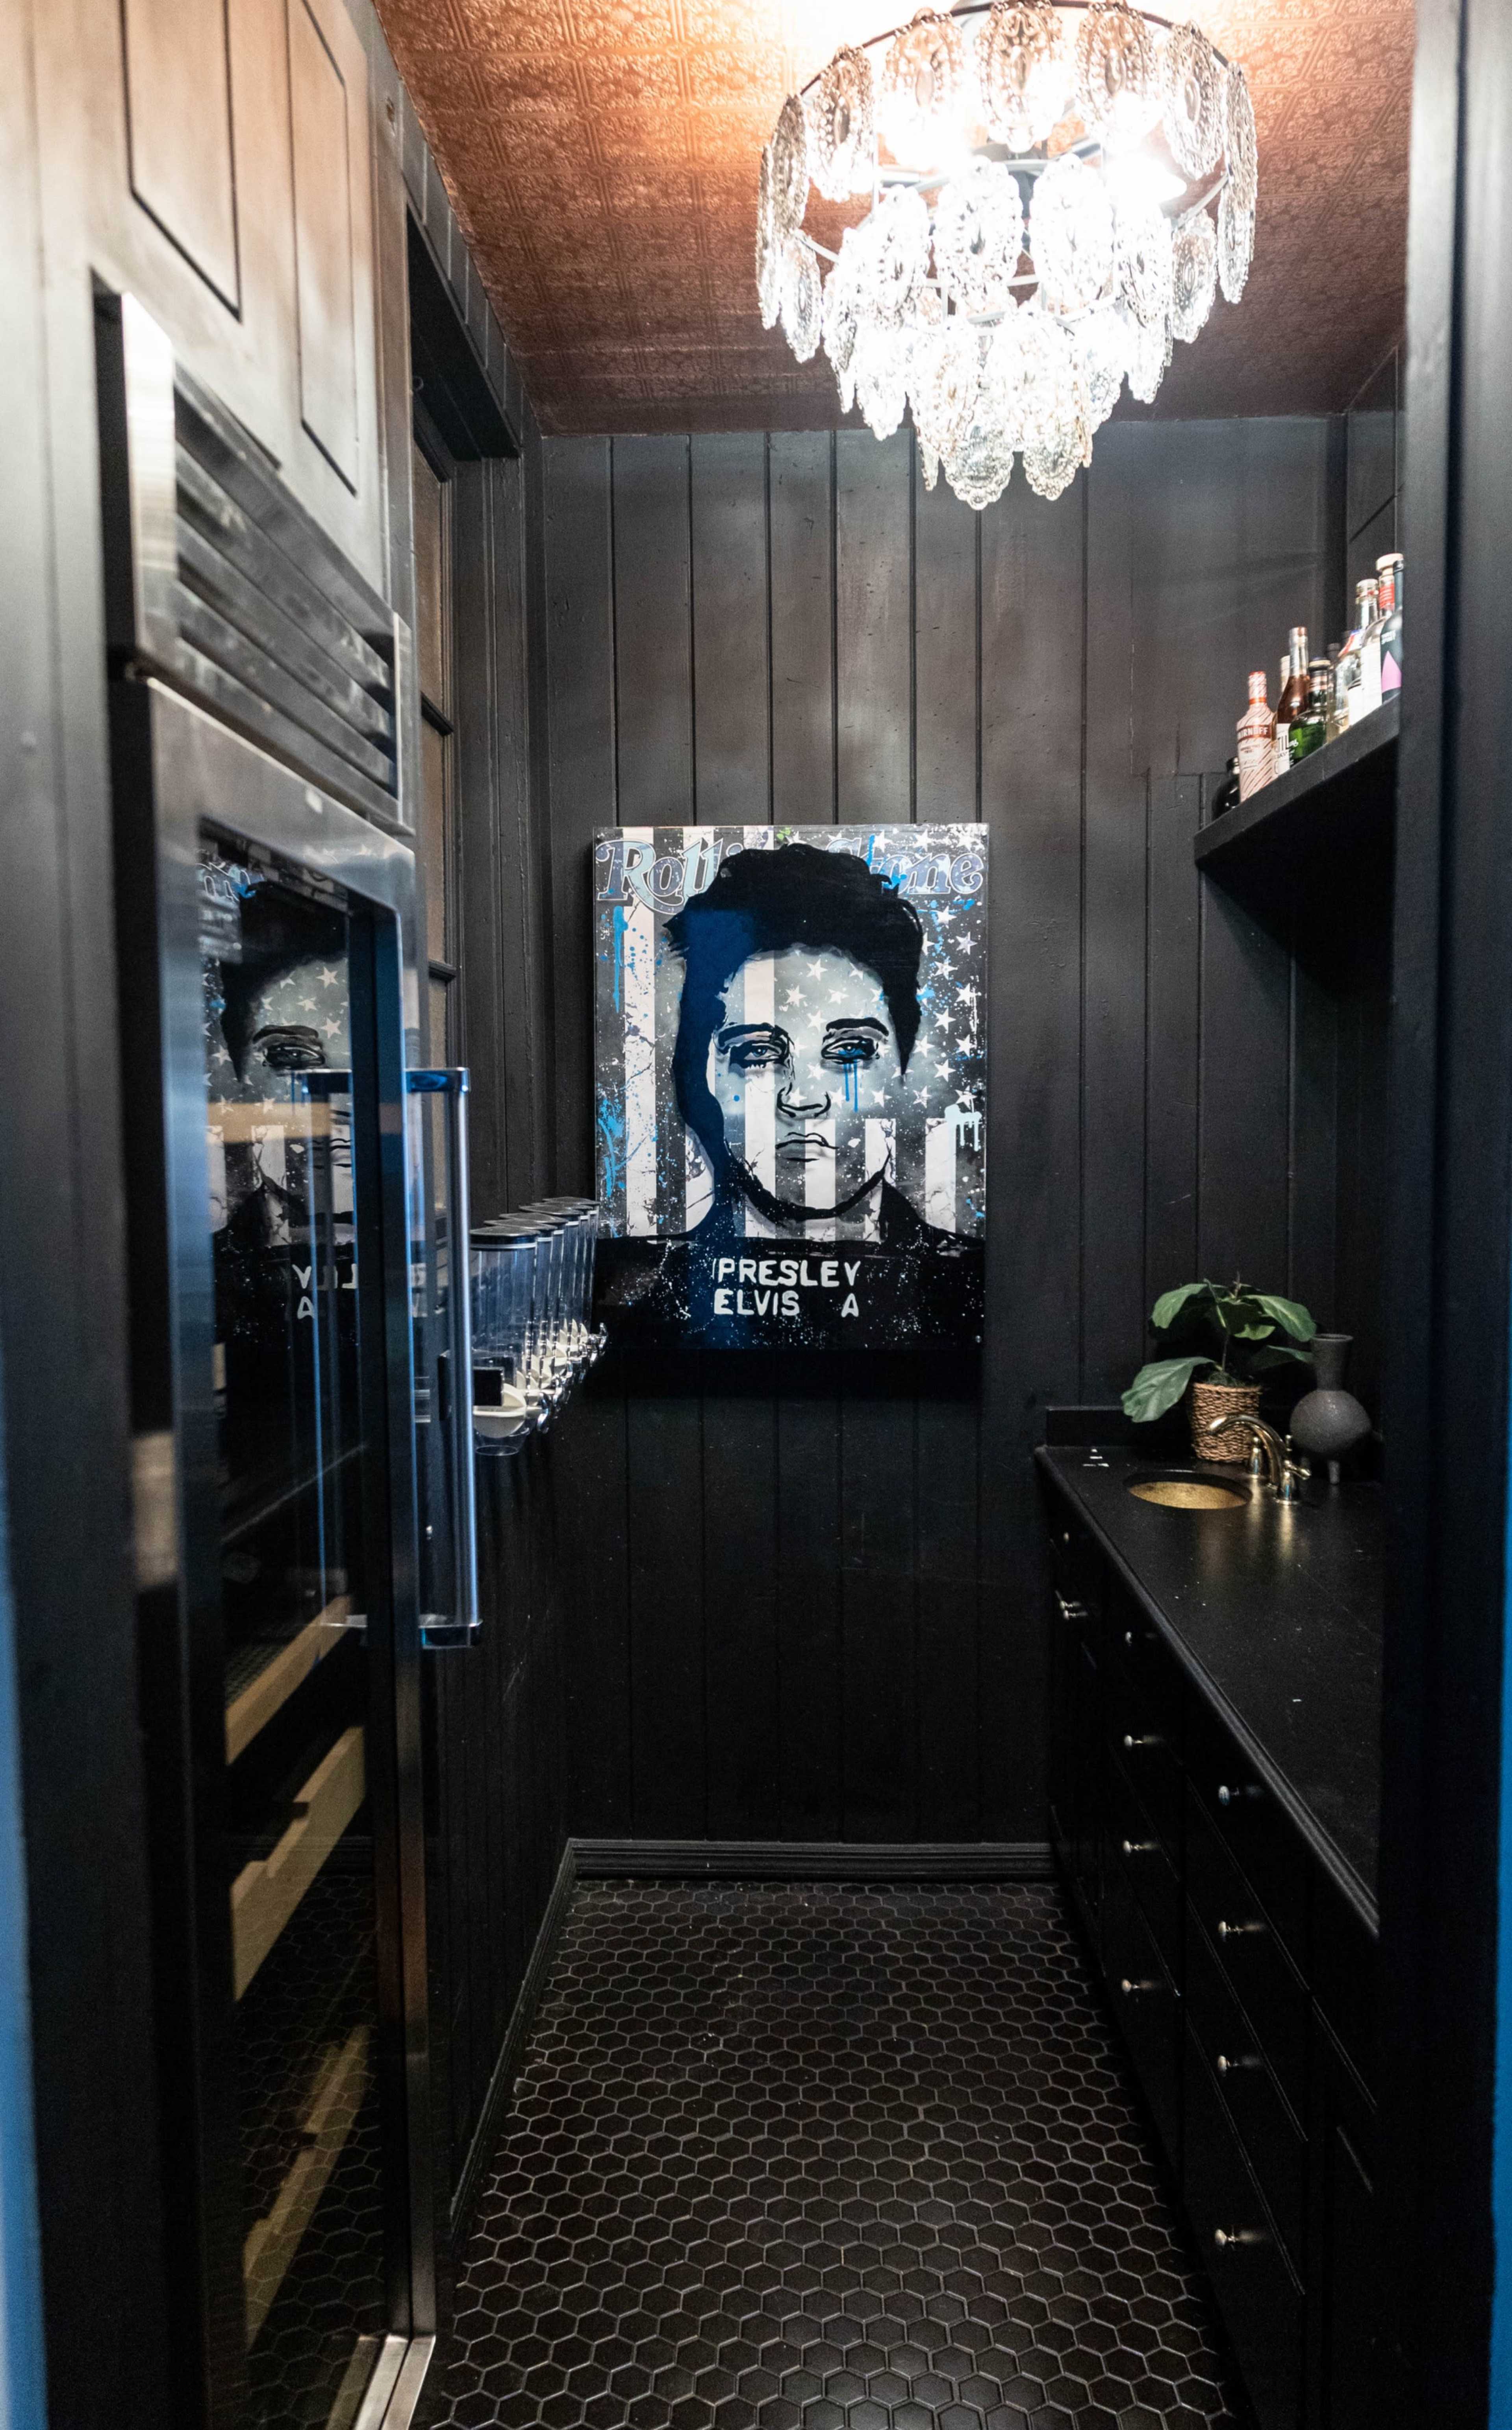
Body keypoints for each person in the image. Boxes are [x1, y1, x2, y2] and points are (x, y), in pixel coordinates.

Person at [665, 840, 950, 1246]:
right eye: (758, 1052)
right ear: (707, 1073)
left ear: (903, 1069)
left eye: (852, 1050)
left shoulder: (961, 1285)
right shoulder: (637, 1290)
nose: (801, 1100)